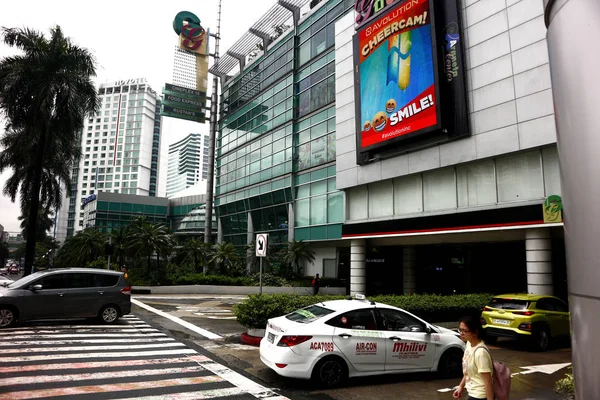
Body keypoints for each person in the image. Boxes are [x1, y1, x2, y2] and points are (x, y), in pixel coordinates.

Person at [453, 316, 494, 400]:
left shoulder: (480, 353)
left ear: (475, 332)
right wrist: (461, 386)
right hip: (472, 392)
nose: (461, 333)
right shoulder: (469, 344)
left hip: (480, 395)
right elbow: (468, 371)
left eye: (465, 331)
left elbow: (488, 382)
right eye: (460, 330)